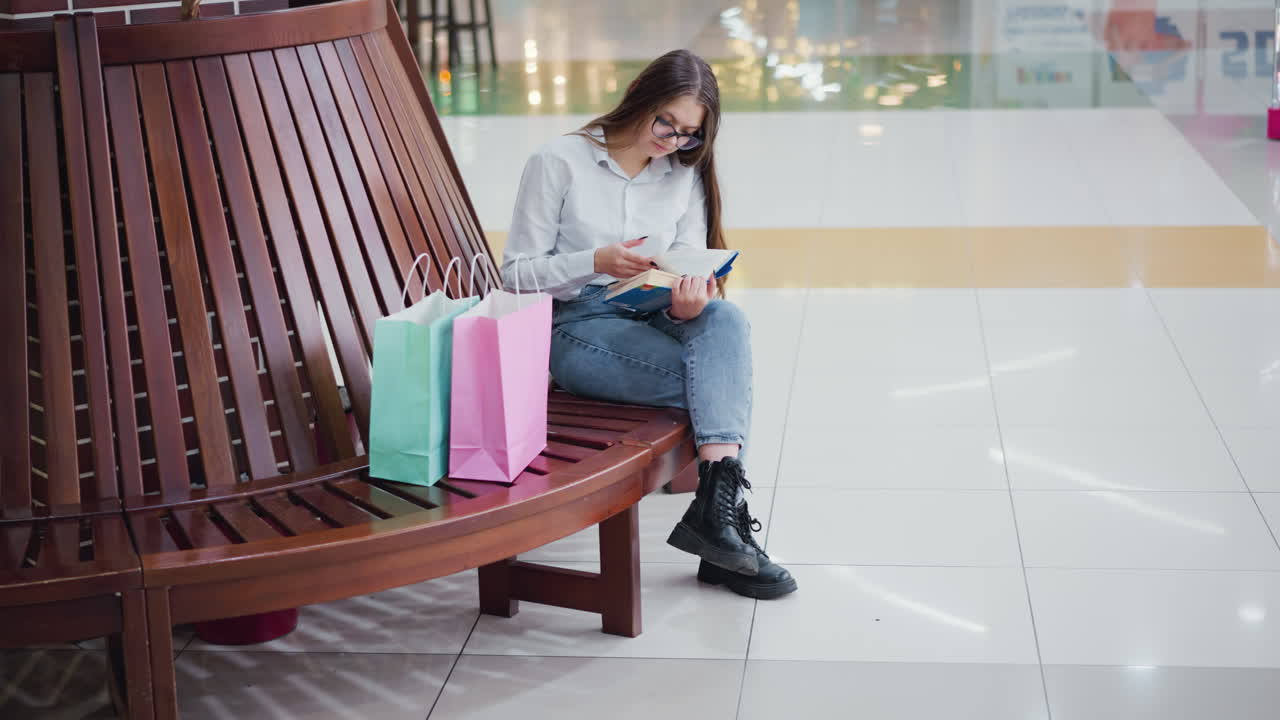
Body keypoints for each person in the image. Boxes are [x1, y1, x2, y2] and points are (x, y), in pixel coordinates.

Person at [500, 49, 796, 600]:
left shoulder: (682, 173)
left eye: (688, 134)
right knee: (720, 384)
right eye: (668, 123)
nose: (674, 142)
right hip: (576, 326)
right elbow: (515, 275)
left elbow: (688, 256)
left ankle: (717, 522)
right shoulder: (559, 161)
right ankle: (723, 532)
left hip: (653, 312)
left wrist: (689, 300)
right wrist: (594, 261)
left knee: (724, 318)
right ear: (641, 95)